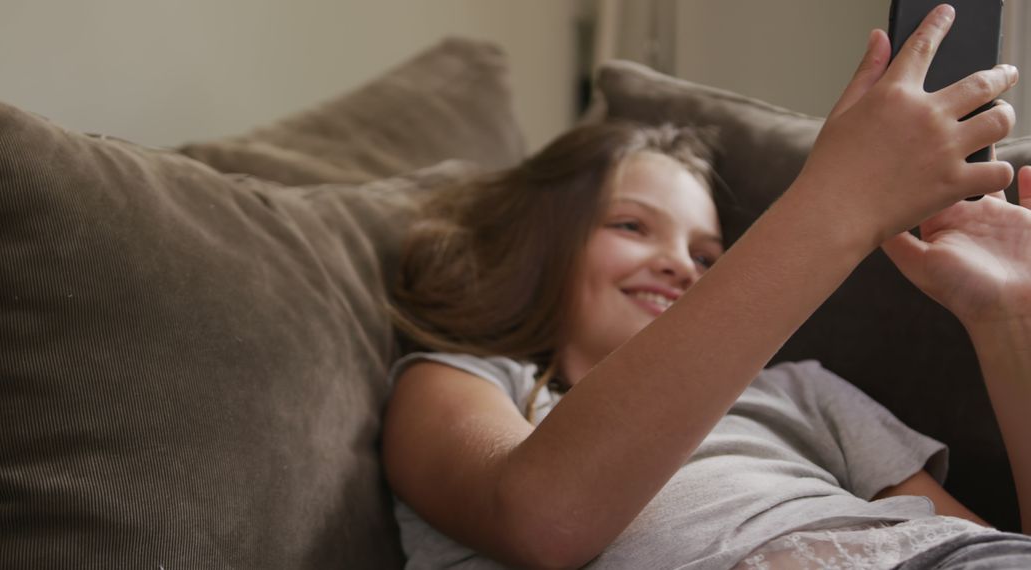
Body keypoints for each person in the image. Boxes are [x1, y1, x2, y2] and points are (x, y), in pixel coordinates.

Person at [383, 5, 1031, 569]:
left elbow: (977, 543)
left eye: (706, 255)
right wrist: (837, 205)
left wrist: (1005, 320)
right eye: (632, 226)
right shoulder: (469, 382)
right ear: (537, 247)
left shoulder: (800, 391)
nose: (679, 266)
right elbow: (543, 521)